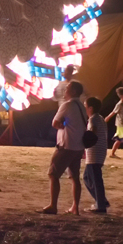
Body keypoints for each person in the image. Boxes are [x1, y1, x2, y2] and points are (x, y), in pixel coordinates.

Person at [43, 80, 89, 215]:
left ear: (73, 91)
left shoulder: (67, 105)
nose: (64, 91)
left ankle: (53, 205)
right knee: (75, 177)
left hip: (66, 145)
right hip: (78, 146)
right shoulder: (81, 106)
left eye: (67, 89)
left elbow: (55, 123)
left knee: (53, 174)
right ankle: (75, 207)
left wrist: (62, 126)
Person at [82, 96, 110, 213]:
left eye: (86, 107)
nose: (85, 109)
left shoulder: (93, 119)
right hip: (98, 152)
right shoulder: (100, 118)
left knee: (95, 179)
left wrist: (85, 142)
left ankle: (101, 205)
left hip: (94, 153)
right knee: (88, 177)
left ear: (91, 108)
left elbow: (92, 132)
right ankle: (101, 201)